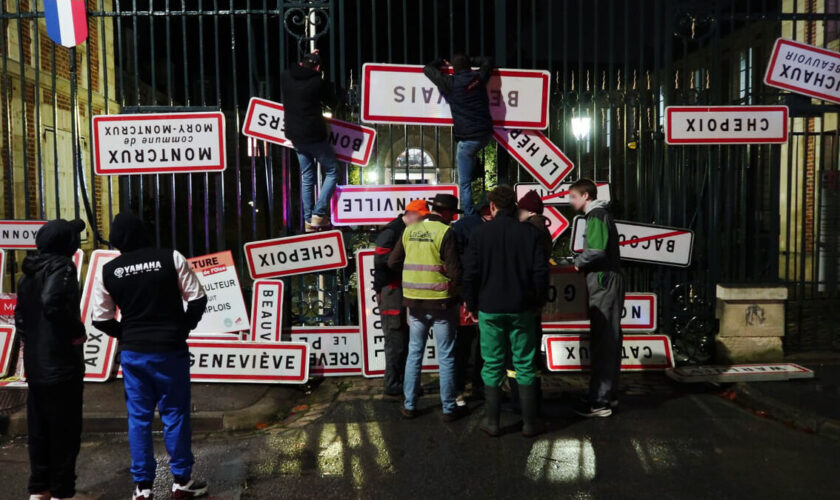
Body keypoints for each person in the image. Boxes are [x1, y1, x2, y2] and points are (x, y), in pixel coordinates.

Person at [90, 212, 209, 500]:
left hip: (134, 353)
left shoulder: (110, 271)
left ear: (117, 239)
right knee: (175, 414)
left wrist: (126, 334)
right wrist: (183, 327)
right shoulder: (171, 258)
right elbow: (198, 298)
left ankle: (143, 488)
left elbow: (100, 318)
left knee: (139, 418)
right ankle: (181, 481)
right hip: (170, 350)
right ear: (145, 232)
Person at [462, 185, 549, 437]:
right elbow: (540, 272)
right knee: (524, 363)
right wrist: (539, 301)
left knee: (492, 363)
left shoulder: (480, 234)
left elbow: (471, 274)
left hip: (489, 308)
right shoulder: (530, 233)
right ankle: (530, 423)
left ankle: (492, 422)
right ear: (514, 206)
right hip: (522, 307)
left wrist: (471, 304)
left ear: (492, 207)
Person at [14, 219, 87, 500]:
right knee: (65, 430)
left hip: (36, 364)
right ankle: (61, 491)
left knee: (40, 428)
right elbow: (52, 301)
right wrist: (75, 332)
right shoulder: (62, 267)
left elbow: (21, 317)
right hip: (60, 364)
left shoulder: (28, 273)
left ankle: (39, 488)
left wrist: (31, 345)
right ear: (65, 244)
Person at [388, 194, 463, 421]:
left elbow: (392, 262)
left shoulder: (410, 230)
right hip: (441, 301)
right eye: (453, 215)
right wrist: (462, 295)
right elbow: (455, 271)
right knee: (447, 356)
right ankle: (449, 408)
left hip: (414, 302)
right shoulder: (445, 232)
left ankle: (410, 405)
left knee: (414, 353)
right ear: (448, 213)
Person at [569, 178, 625, 418]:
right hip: (609, 279)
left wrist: (578, 262)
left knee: (603, 338)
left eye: (573, 196)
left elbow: (596, 250)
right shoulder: (600, 215)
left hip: (604, 280)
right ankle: (606, 394)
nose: (570, 201)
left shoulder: (595, 216)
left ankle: (599, 401)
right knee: (609, 337)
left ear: (586, 196)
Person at [424, 54, 494, 216]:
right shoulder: (479, 78)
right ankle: (476, 171)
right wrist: (473, 61)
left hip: (468, 138)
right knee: (471, 157)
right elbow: (487, 61)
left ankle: (469, 214)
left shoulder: (450, 83)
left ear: (453, 68)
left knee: (464, 183)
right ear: (469, 66)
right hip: (485, 134)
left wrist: (441, 61)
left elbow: (427, 69)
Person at [373, 199, 430, 396]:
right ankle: (393, 385)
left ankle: (402, 383)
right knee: (395, 341)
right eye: (421, 218)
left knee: (403, 339)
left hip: (399, 291)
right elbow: (381, 259)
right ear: (412, 214)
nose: (422, 223)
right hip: (392, 291)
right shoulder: (392, 231)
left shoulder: (402, 230)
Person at [280, 50, 340, 232]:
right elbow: (332, 102)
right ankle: (319, 213)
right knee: (332, 171)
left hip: (295, 137)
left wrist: (310, 61)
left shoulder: (286, 77)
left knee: (307, 175)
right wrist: (323, 79)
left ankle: (308, 222)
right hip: (314, 136)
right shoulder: (317, 83)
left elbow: (296, 71)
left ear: (300, 63)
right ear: (318, 68)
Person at [450, 194, 493, 402]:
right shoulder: (472, 226)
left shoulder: (463, 225)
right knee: (476, 341)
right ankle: (477, 383)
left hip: (468, 290)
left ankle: (461, 383)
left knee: (465, 341)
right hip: (477, 290)